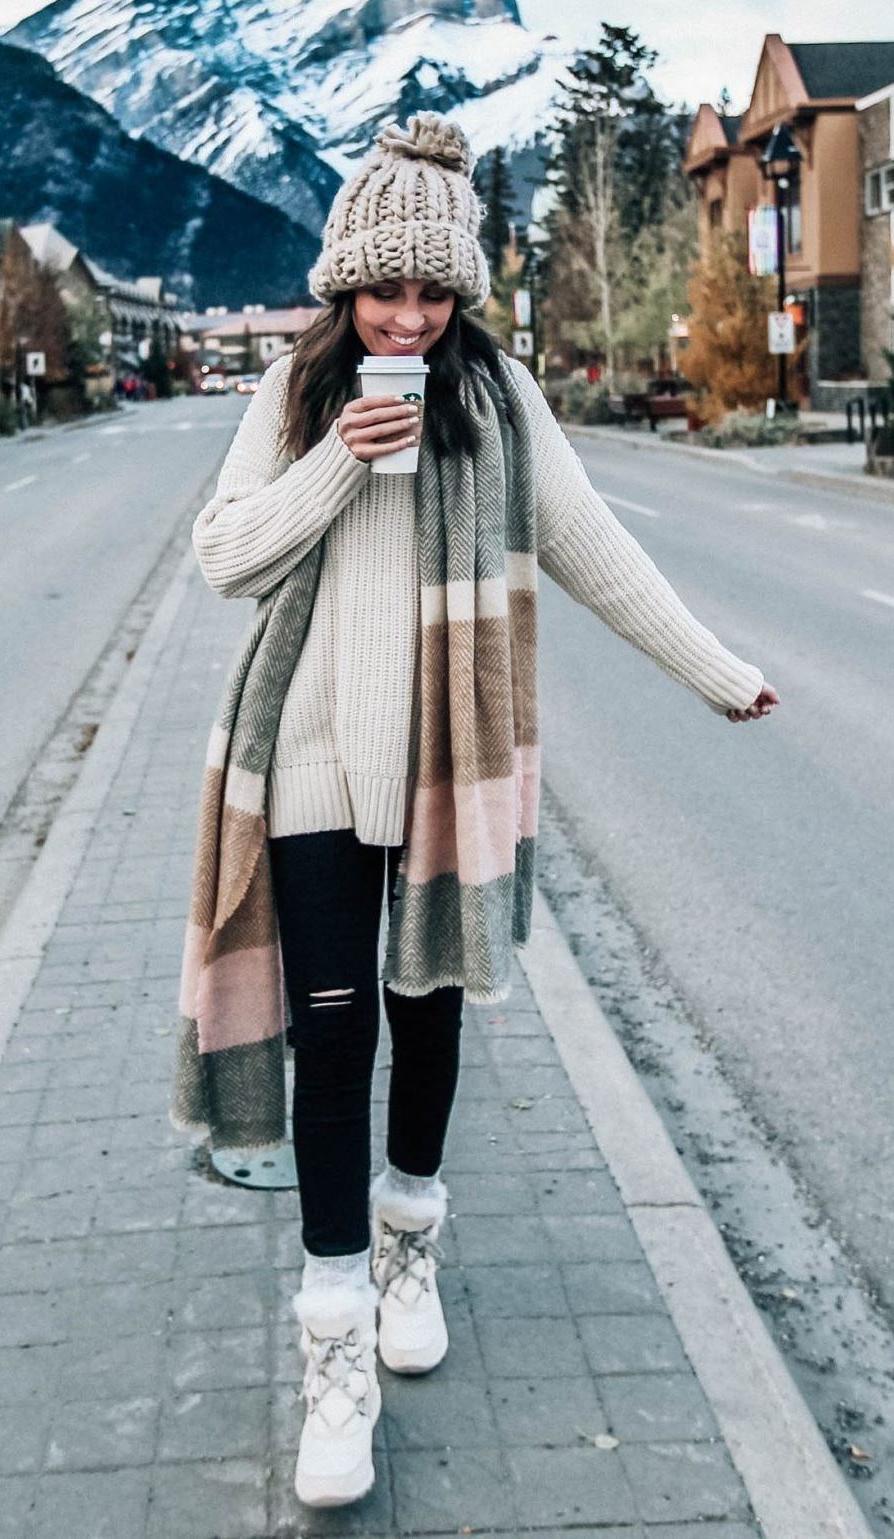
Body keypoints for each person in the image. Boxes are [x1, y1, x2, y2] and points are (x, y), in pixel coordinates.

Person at [172, 111, 778, 1511]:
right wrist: (337, 457)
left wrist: (716, 674)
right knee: (332, 1042)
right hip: (314, 764)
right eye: (387, 290)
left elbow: (588, 548)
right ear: (344, 288)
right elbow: (223, 561)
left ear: (460, 296)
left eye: (433, 293)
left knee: (428, 1012)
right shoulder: (289, 395)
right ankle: (331, 1342)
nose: (408, 315)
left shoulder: (500, 403)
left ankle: (407, 1243)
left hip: (451, 772)